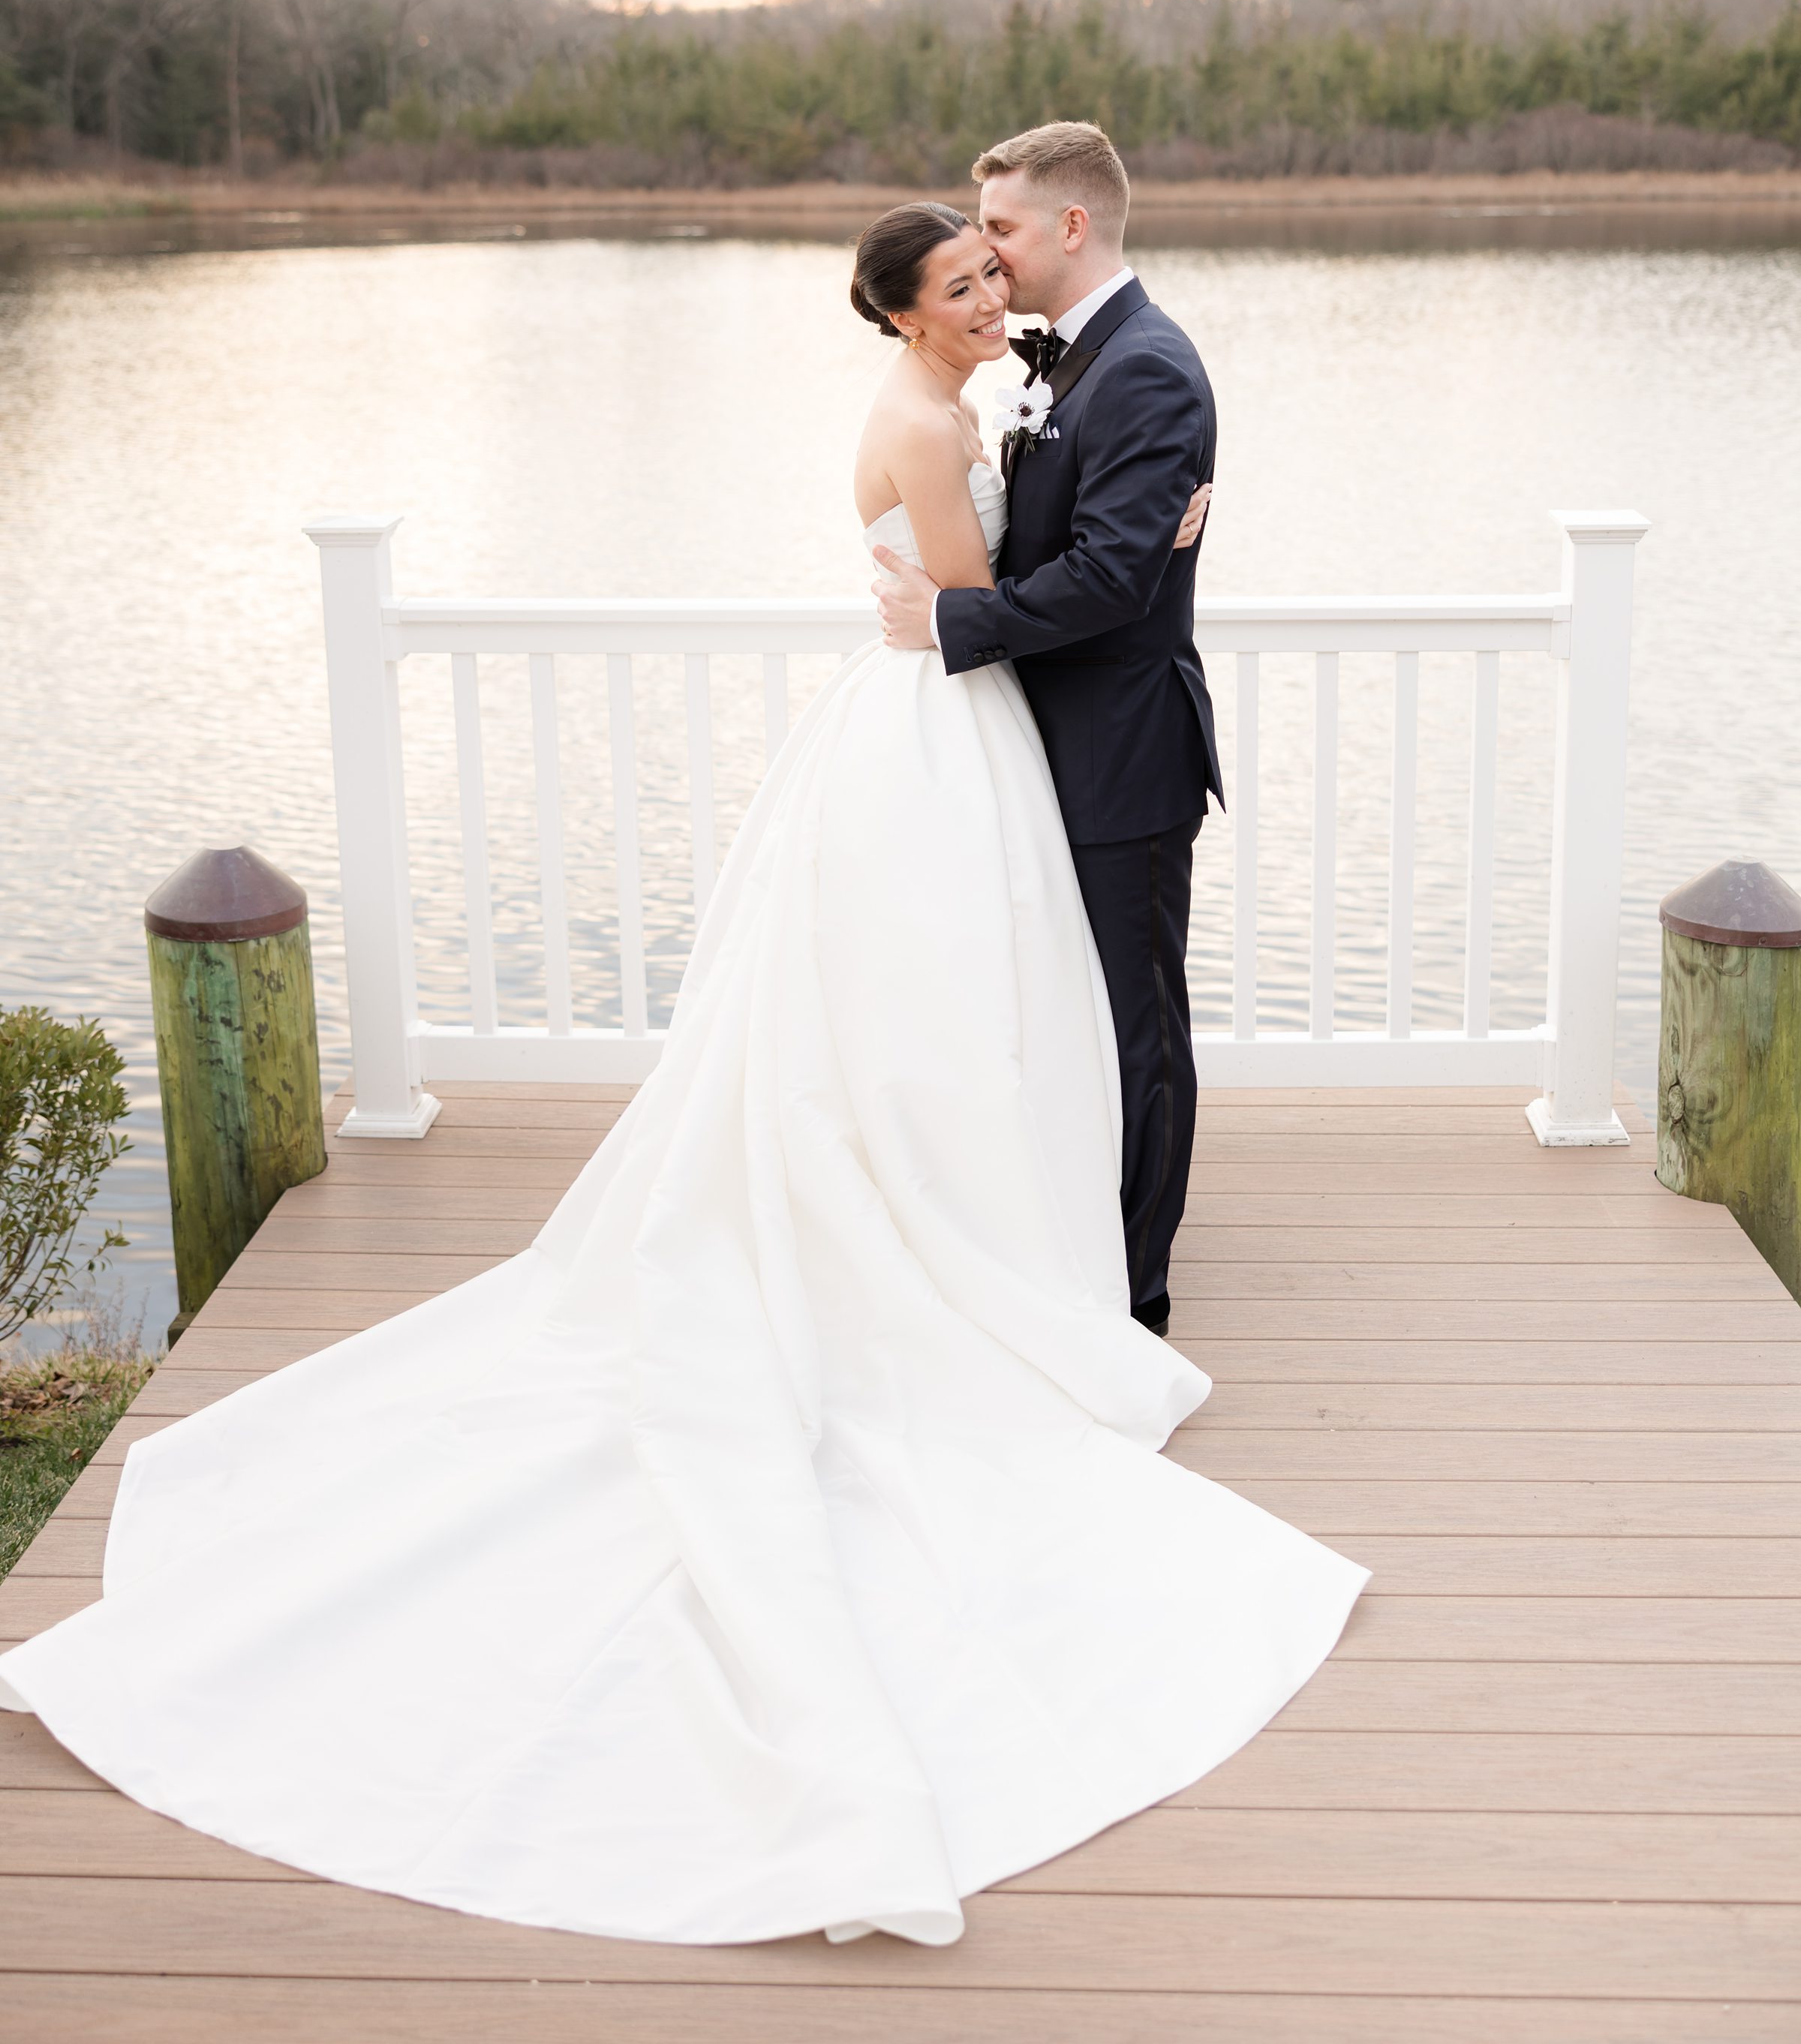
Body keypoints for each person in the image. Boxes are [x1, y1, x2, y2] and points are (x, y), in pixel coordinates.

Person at [0, 199, 1365, 1952]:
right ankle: (958, 1247)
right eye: (958, 279)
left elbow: (1012, 565)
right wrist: (1130, 550)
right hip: (940, 724)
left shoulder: (991, 390)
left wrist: (1147, 534)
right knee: (955, 1009)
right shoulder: (931, 417)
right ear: (899, 309)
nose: (988, 290)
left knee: (965, 1011)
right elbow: (971, 598)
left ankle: (978, 1226)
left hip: (952, 728)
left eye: (991, 264)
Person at [874, 121, 1218, 1335]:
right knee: (1052, 1009)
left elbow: (1115, 578)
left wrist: (955, 619)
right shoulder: (1064, 358)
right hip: (1033, 745)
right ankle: (1061, 1239)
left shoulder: (1148, 366)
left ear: (1073, 226)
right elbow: (1078, 536)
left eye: (1005, 234)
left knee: (1134, 1025)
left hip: (1122, 752)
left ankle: (1134, 1299)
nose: (994, 261)